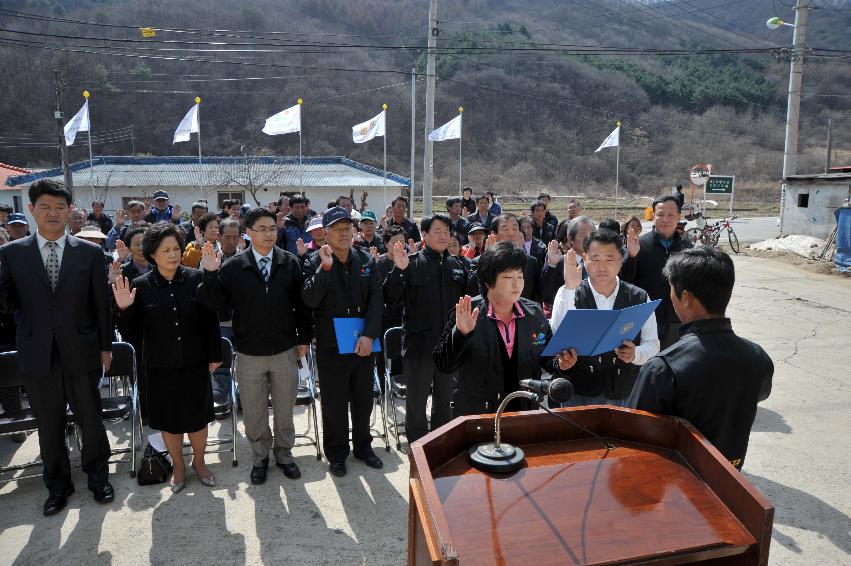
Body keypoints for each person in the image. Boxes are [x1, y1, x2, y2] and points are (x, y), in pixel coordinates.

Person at [0, 179, 114, 516]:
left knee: (90, 420)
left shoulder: (91, 253)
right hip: (37, 355)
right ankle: (58, 486)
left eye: (60, 207)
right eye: (45, 206)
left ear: (70, 212)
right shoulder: (11, 254)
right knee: (48, 426)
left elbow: (101, 306)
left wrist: (106, 346)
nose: (53, 213)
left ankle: (98, 479)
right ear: (31, 210)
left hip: (82, 351)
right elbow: (6, 305)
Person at [628, 246, 773, 470]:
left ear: (685, 297)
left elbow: (636, 437)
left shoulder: (663, 368)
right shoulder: (757, 357)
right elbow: (756, 395)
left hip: (678, 484)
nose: (670, 296)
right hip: (729, 477)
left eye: (671, 289)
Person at [197, 208, 312, 484]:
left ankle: (284, 454)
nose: (269, 233)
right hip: (249, 353)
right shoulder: (234, 267)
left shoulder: (289, 262)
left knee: (285, 408)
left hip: (285, 350)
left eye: (272, 228)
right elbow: (218, 307)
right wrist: (210, 274)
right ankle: (260, 458)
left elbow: (303, 306)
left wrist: (304, 338)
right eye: (261, 228)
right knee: (254, 411)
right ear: (248, 233)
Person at [113, 223, 222, 493]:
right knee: (170, 422)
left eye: (176, 249)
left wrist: (211, 275)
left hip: (195, 362)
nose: (172, 255)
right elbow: (131, 335)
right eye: (165, 250)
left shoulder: (197, 278)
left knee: (198, 419)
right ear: (152, 254)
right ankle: (179, 466)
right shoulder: (140, 287)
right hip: (159, 366)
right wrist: (124, 309)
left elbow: (211, 315)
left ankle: (199, 462)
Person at [433, 242, 573, 417]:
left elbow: (547, 357)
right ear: (488, 281)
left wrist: (562, 364)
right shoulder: (467, 311)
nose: (517, 284)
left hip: (524, 408)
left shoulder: (534, 313)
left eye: (520, 277)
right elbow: (443, 364)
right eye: (508, 278)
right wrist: (461, 334)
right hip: (478, 414)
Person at [302, 207, 384, 477]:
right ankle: (337, 453)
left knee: (363, 399)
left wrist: (369, 335)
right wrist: (325, 269)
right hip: (331, 345)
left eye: (348, 229)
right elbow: (309, 300)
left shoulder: (365, 261)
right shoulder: (314, 261)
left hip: (363, 343)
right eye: (337, 230)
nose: (344, 234)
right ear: (325, 233)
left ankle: (363, 446)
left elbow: (376, 302)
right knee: (334, 402)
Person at [550, 230, 660, 406]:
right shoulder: (570, 293)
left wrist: (635, 354)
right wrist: (570, 287)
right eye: (595, 259)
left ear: (620, 259)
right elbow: (557, 333)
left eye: (609, 259)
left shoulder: (638, 296)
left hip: (624, 392)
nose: (602, 266)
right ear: (584, 259)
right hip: (578, 392)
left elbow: (653, 344)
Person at [385, 214, 468, 443]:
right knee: (416, 404)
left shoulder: (457, 266)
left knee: (444, 402)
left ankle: (439, 446)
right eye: (437, 231)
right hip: (419, 347)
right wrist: (398, 271)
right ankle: (418, 448)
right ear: (424, 234)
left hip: (448, 347)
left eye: (446, 231)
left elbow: (471, 300)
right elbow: (390, 298)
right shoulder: (411, 264)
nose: (443, 236)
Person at [620, 195, 693, 349]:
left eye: (671, 215)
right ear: (653, 216)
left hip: (678, 320)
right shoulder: (641, 245)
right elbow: (624, 281)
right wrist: (631, 257)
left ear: (678, 217)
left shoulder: (687, 248)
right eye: (660, 214)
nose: (665, 219)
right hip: (647, 320)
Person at [467, 213, 540, 302]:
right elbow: (472, 290)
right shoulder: (479, 261)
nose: (511, 233)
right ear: (494, 234)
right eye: (505, 229)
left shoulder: (531, 261)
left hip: (522, 313)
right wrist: (488, 258)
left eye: (515, 228)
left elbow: (536, 296)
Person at [540, 216, 596, 309]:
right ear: (570, 238)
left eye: (592, 235)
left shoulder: (599, 262)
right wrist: (552, 265)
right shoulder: (560, 262)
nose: (589, 239)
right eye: (584, 235)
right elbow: (546, 295)